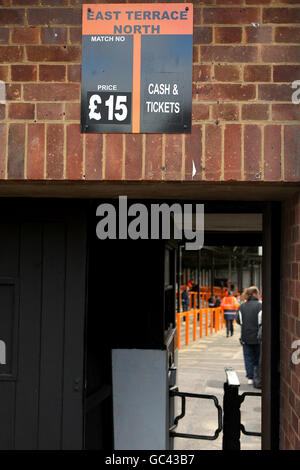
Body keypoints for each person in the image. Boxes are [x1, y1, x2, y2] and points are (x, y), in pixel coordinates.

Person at [235, 286, 262, 386]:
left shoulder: (242, 306)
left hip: (245, 336)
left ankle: (250, 377)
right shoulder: (260, 306)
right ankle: (257, 377)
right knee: (258, 357)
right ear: (255, 294)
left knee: (248, 357)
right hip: (258, 337)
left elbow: (238, 320)